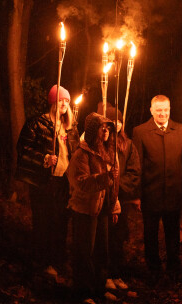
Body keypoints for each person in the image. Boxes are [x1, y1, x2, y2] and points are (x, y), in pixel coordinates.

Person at [15, 85, 79, 276]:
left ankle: (59, 260)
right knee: (44, 222)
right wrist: (43, 158)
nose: (64, 104)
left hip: (64, 182)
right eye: (60, 100)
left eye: (67, 101)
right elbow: (23, 149)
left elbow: (74, 153)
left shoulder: (71, 128)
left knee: (61, 223)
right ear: (52, 102)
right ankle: (42, 262)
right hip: (44, 182)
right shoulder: (37, 124)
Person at [132, 95, 182, 280]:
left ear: (170, 108)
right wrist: (136, 195)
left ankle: (174, 264)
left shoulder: (181, 130)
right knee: (150, 233)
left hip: (174, 193)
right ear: (151, 110)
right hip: (150, 193)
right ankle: (153, 267)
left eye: (166, 109)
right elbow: (137, 166)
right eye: (158, 110)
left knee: (173, 231)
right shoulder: (140, 132)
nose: (163, 113)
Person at [66, 112, 120, 302]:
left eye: (108, 128)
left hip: (103, 209)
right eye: (101, 127)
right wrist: (105, 177)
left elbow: (114, 183)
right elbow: (81, 182)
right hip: (85, 210)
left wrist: (114, 206)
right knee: (84, 252)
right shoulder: (81, 154)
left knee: (101, 252)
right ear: (92, 131)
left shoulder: (106, 152)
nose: (105, 131)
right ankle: (83, 292)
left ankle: (99, 288)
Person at [98, 106, 141, 291]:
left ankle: (116, 273)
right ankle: (103, 275)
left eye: (119, 121)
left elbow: (134, 172)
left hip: (120, 200)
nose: (116, 124)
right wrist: (106, 184)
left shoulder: (128, 145)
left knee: (118, 238)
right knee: (103, 238)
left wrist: (118, 186)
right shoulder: (99, 142)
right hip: (101, 199)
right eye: (112, 121)